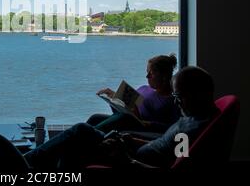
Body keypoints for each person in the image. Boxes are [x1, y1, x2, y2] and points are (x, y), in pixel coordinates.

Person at [24, 66, 218, 169]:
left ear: (194, 94)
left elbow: (173, 165)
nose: (176, 101)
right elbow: (166, 144)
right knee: (78, 137)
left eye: (178, 96)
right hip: (133, 148)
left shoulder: (190, 131)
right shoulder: (192, 119)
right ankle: (34, 163)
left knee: (80, 132)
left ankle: (25, 162)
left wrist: (126, 159)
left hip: (129, 158)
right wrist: (132, 140)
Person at [87, 54, 179, 134]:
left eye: (151, 73)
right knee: (95, 118)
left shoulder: (171, 101)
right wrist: (114, 99)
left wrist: (147, 123)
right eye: (147, 72)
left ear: (163, 76)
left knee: (122, 118)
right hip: (123, 119)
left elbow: (172, 127)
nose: (147, 76)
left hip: (139, 127)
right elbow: (121, 110)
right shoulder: (144, 88)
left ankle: (86, 135)